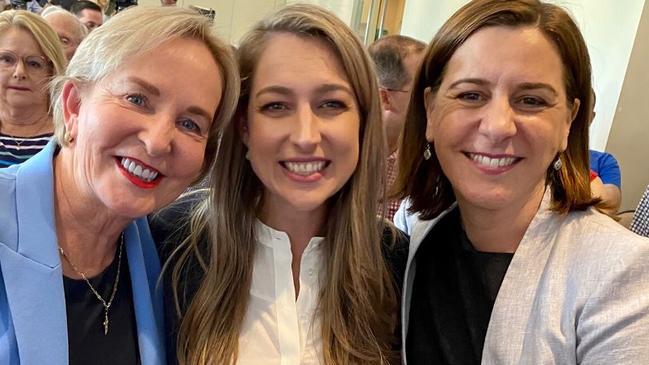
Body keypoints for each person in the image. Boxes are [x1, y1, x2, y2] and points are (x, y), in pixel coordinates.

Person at [392, 0, 649, 363]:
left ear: (569, 123)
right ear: (431, 111)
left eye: (531, 100)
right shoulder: (413, 228)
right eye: (470, 95)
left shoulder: (620, 272)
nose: (498, 126)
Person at [151, 4, 406, 365]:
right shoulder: (170, 244)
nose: (305, 136)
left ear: (363, 123)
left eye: (331, 104)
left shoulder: (397, 262)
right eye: (276, 106)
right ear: (243, 127)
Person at [0, 6, 239, 365]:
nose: (159, 141)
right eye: (137, 99)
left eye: (190, 124)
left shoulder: (170, 255)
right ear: (74, 104)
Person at [368, 35, 425, 220]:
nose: (433, 99)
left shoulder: (427, 155)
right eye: (421, 90)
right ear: (385, 98)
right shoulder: (346, 154)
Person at [0, 10, 66, 167]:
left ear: (52, 71)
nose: (20, 72)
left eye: (34, 63)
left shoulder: (70, 138)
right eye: (7, 59)